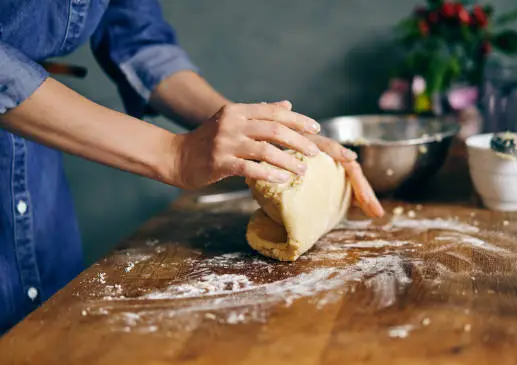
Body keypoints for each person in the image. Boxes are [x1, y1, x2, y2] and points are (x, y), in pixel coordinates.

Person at [0, 1, 384, 334]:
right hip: (41, 134)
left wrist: (252, 135)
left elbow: (138, 38)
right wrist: (174, 154)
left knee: (43, 346)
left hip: (37, 176)